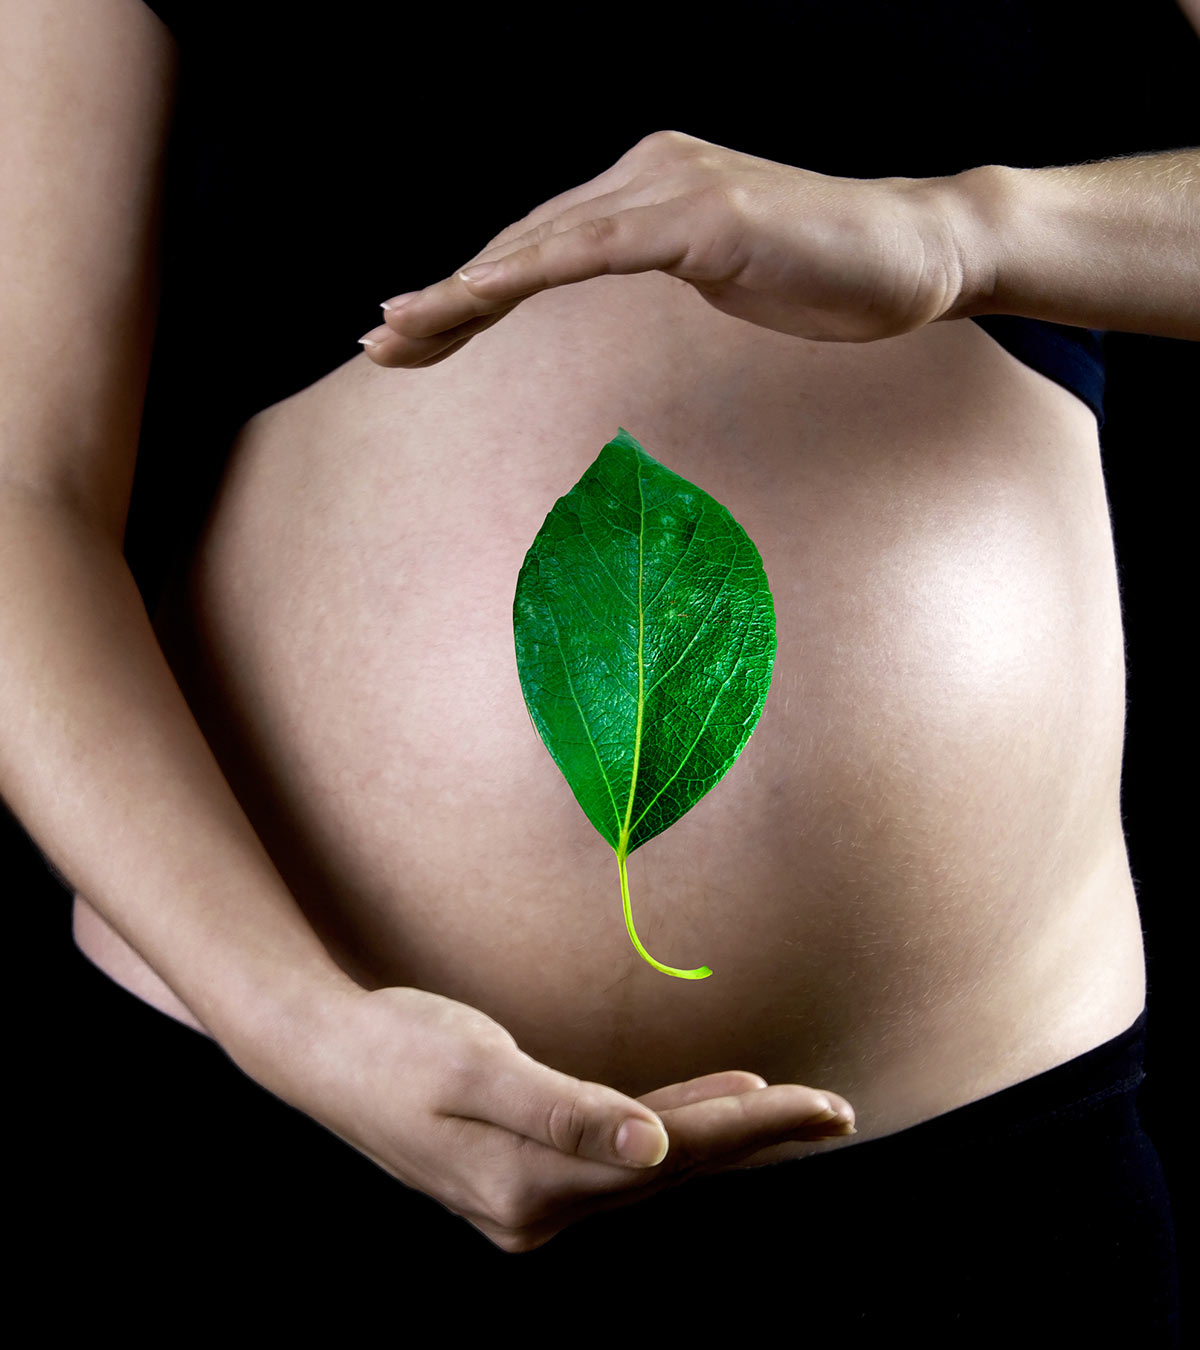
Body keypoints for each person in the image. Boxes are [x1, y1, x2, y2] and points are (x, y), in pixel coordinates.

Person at [3, 0, 1194, 1334]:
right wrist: (297, 1026)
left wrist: (967, 231)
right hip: (265, 1126)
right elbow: (17, 492)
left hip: (969, 1179)